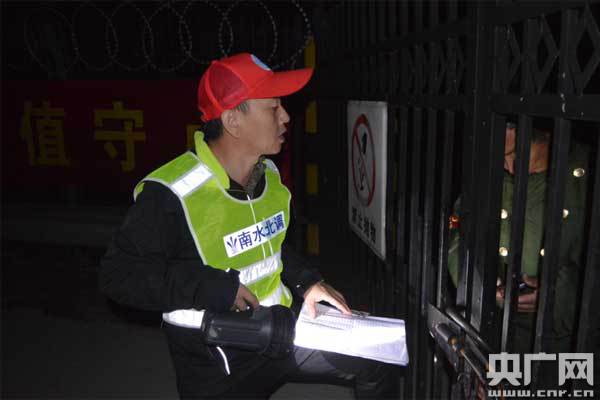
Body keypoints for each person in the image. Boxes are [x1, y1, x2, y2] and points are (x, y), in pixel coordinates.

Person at [99, 53, 397, 399]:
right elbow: (117, 276)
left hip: (281, 334)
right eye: (273, 108)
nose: (285, 116)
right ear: (233, 121)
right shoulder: (172, 194)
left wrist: (307, 282)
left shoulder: (267, 174)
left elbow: (270, 244)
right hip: (217, 364)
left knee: (377, 357)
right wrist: (214, 288)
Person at [447, 121, 590, 387]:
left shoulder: (586, 174)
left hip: (566, 343)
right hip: (494, 328)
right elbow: (459, 229)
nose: (510, 168)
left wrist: (558, 295)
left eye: (515, 155)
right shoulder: (489, 166)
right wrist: (481, 283)